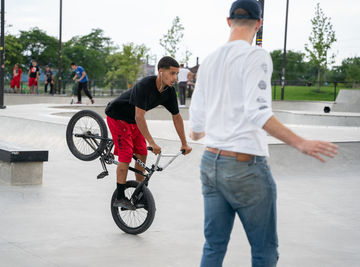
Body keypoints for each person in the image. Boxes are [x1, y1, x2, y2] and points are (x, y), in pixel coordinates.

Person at [189, 1, 338, 266]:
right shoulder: (255, 56)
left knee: (213, 246)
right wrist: (301, 143)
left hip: (210, 162)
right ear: (259, 25)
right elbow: (257, 112)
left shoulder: (209, 61)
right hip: (245, 166)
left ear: (228, 21)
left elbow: (196, 128)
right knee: (264, 250)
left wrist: (213, 128)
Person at [105, 56, 192, 210]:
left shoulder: (169, 92)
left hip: (133, 121)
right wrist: (152, 142)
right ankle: (119, 197)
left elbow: (176, 117)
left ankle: (139, 194)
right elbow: (140, 116)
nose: (175, 78)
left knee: (141, 154)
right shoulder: (145, 85)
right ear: (160, 72)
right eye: (172, 73)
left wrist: (184, 143)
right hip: (118, 116)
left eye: (177, 74)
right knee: (126, 154)